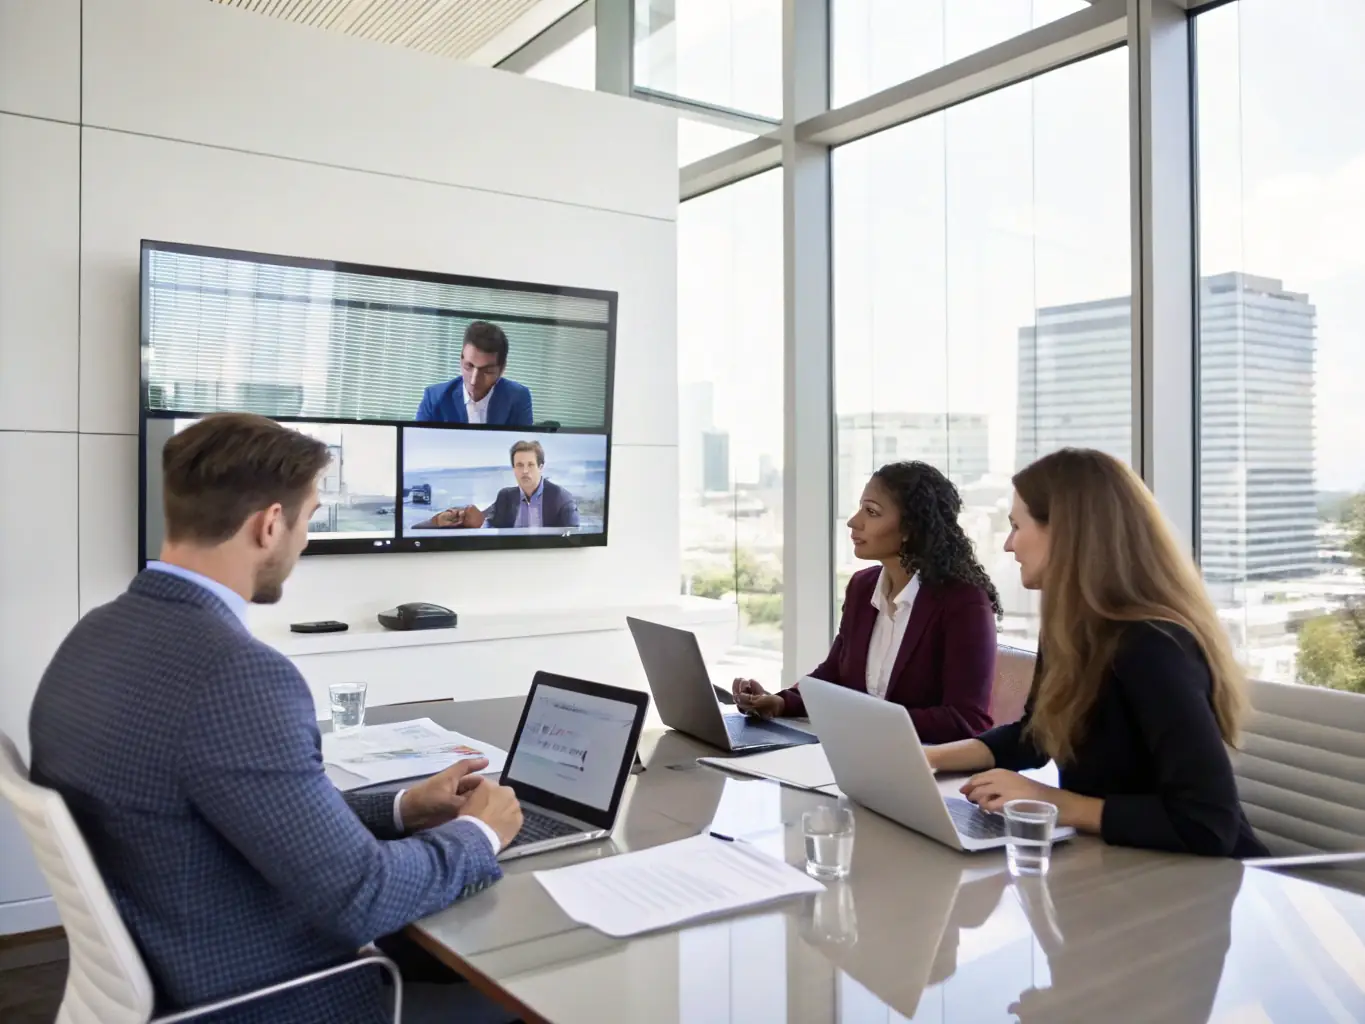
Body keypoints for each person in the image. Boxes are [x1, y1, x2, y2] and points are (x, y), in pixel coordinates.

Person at [28, 413, 525, 1024]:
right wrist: (480, 834)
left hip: (176, 964)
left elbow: (248, 815)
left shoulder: (94, 636)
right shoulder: (236, 676)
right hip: (274, 999)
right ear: (269, 525)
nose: (305, 541)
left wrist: (404, 808)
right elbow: (363, 898)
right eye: (308, 518)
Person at [929, 447, 1268, 858]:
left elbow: (1207, 824)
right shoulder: (1072, 630)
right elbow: (1034, 737)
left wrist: (1052, 802)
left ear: (1067, 534)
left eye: (1017, 526)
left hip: (1206, 879)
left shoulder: (1152, 645)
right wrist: (929, 758)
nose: (1008, 545)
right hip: (1120, 864)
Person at [732, 461, 1001, 744]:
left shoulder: (963, 602)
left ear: (910, 528)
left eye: (871, 512)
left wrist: (863, 720)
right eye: (861, 508)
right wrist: (781, 702)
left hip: (923, 762)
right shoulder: (862, 587)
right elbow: (834, 674)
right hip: (858, 750)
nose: (854, 522)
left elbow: (967, 720)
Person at [414, 439, 580, 531]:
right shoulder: (506, 496)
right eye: (519, 465)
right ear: (513, 469)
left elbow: (574, 540)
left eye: (530, 465)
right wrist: (437, 520)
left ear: (541, 467)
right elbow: (482, 522)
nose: (525, 471)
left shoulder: (561, 498)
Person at [415, 321, 534, 426]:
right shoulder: (434, 398)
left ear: (502, 369)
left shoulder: (518, 398)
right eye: (469, 366)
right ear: (461, 360)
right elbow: (418, 441)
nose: (474, 380)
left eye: (486, 371)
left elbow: (523, 444)